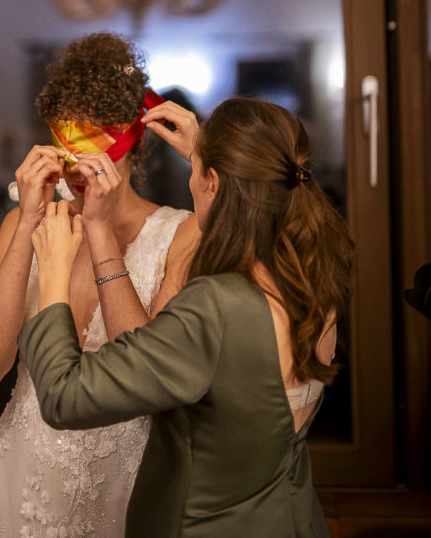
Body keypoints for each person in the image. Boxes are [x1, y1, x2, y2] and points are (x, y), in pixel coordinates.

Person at [19, 96, 354, 538]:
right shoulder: (314, 282)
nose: (191, 184)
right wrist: (213, 155)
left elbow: (65, 396)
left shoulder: (216, 307)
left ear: (212, 183)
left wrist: (53, 272)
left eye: (197, 172)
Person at [0, 33, 199, 538]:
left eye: (97, 146)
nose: (80, 167)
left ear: (134, 144)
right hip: (24, 471)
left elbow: (146, 380)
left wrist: (98, 230)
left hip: (124, 480)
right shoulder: (24, 225)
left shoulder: (180, 235)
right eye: (68, 146)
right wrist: (26, 223)